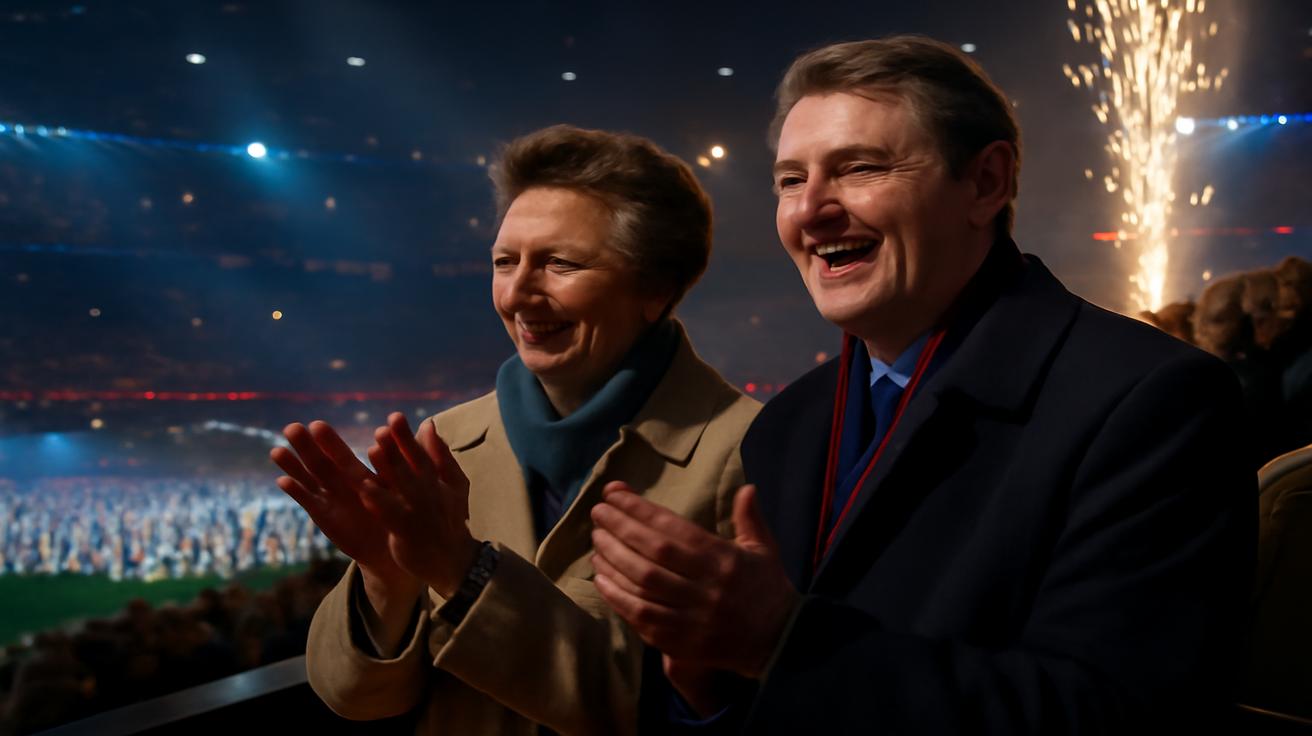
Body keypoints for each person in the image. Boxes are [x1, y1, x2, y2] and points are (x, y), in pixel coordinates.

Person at [589, 36, 1253, 733]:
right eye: (790, 180)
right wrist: (704, 689)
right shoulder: (787, 425)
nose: (810, 210)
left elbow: (1120, 715)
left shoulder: (1152, 400)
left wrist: (781, 644)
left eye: (859, 167)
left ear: (986, 183)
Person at [270, 125, 759, 735]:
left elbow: (690, 709)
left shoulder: (749, 452)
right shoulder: (445, 443)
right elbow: (355, 698)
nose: (518, 293)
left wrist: (463, 571)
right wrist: (384, 577)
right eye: (505, 262)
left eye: (560, 263)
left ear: (655, 287)